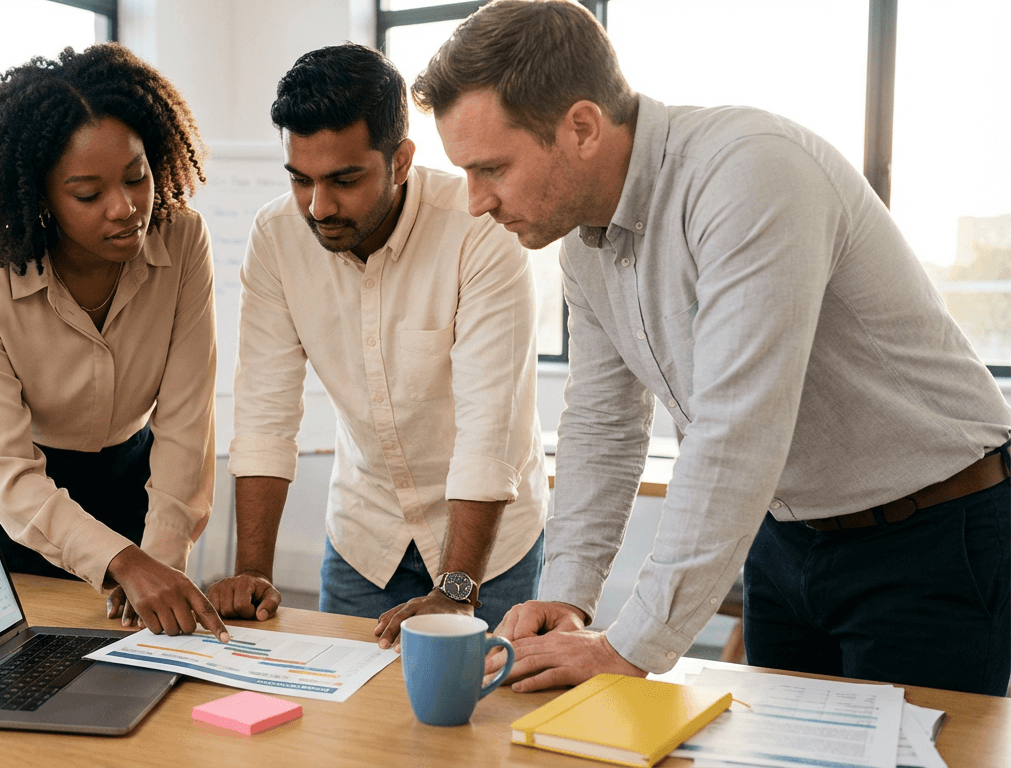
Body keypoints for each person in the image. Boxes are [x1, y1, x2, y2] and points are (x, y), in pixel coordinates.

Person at [414, 0, 1011, 695]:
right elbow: (604, 426)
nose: (475, 201)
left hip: (931, 537)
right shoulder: (583, 242)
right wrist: (569, 596)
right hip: (787, 536)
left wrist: (629, 647)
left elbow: (736, 431)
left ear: (580, 127)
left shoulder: (749, 173)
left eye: (491, 168)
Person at [206, 43, 547, 649]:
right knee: (345, 726)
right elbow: (264, 410)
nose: (319, 206)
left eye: (343, 180)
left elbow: (490, 428)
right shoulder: (276, 238)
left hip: (489, 548)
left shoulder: (479, 230)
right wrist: (252, 569)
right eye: (299, 179)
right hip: (367, 539)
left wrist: (458, 588)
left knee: (484, 730)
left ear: (400, 160)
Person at [0, 43, 228, 642]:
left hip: (132, 485)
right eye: (87, 194)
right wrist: (120, 561)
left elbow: (185, 420)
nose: (127, 209)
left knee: (142, 667)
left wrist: (159, 556)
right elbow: (9, 472)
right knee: (19, 675)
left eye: (137, 176)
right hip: (12, 509)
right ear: (40, 197)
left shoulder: (183, 242)